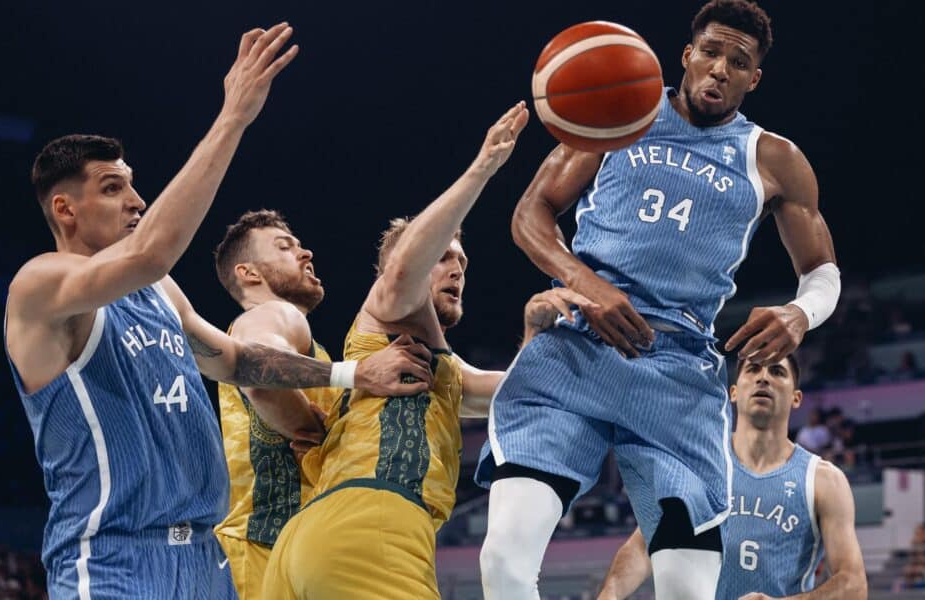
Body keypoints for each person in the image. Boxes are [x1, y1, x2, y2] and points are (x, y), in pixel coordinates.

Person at [3, 25, 431, 598]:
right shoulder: (40, 286)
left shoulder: (159, 293)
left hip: (208, 561)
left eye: (133, 186)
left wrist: (351, 373)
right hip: (114, 560)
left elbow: (234, 362)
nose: (136, 201)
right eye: (112, 189)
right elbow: (152, 250)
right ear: (65, 209)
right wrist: (233, 118)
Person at [475, 2, 842, 598]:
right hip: (576, 350)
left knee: (688, 592)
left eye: (738, 61)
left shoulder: (775, 160)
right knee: (503, 563)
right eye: (711, 53)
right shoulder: (622, 111)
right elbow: (529, 215)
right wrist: (586, 284)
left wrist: (800, 312)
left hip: (679, 373)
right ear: (687, 56)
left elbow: (823, 272)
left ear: (754, 78)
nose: (720, 69)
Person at [262, 102, 595, 599]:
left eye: (462, 261)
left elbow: (514, 396)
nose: (457, 268)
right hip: (374, 528)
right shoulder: (389, 310)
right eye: (443, 257)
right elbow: (402, 270)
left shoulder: (438, 368)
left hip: (313, 537)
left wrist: (535, 334)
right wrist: (484, 167)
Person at [210, 209, 432, 598]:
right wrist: (350, 383)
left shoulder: (317, 355)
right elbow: (257, 372)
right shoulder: (271, 314)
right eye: (284, 247)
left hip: (298, 549)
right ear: (249, 274)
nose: (306, 252)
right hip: (263, 547)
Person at [596, 355, 866, 599]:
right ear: (733, 393)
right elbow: (644, 546)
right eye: (753, 369)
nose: (763, 377)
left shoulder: (824, 481)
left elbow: (853, 585)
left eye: (777, 372)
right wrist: (610, 593)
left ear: (796, 397)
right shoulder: (698, 464)